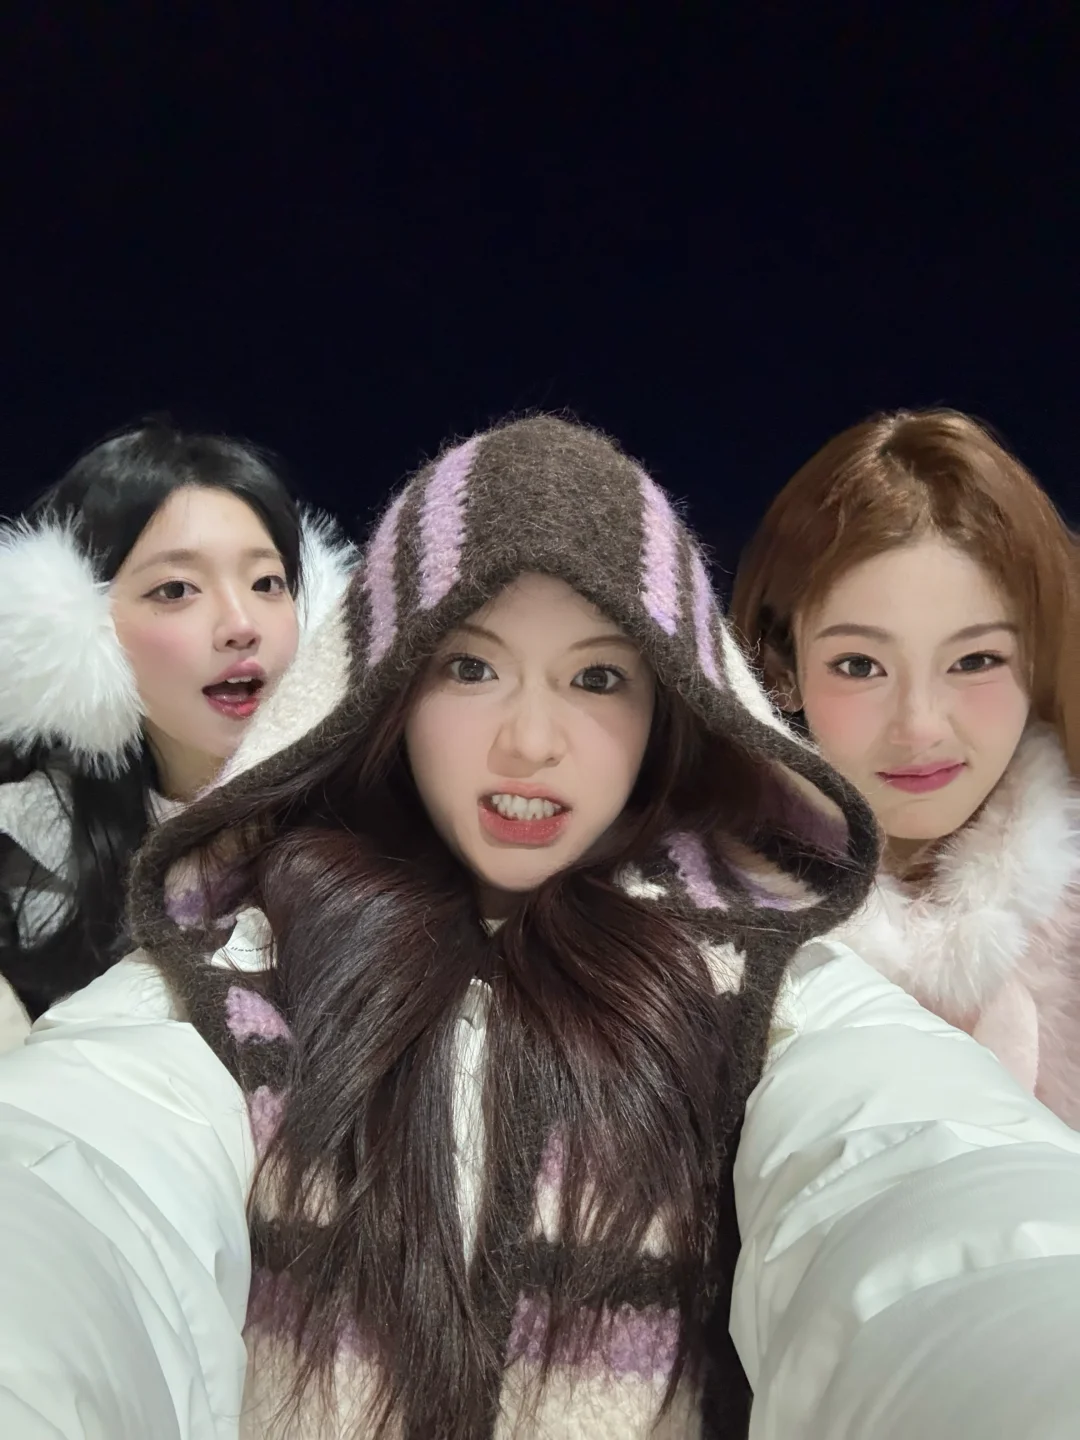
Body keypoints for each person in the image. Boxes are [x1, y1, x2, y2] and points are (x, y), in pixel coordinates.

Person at [2, 417, 1080, 1439]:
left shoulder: (763, 984)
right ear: (386, 688)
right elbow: (78, 1179)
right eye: (470, 667)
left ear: (673, 706)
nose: (530, 740)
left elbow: (921, 1179)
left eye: (598, 677)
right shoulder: (238, 967)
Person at [732, 407, 1080, 1123]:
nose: (919, 725)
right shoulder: (687, 930)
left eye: (974, 660)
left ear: (1037, 658)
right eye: (860, 666)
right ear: (781, 668)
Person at [0, 418, 355, 1045]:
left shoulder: (376, 812)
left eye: (267, 583)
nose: (241, 624)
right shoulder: (34, 855)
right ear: (78, 631)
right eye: (176, 589)